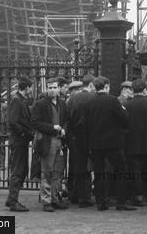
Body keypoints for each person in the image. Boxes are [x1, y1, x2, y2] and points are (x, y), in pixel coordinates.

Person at [85, 76, 136, 211]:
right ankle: (121, 202)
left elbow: (85, 123)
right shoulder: (113, 100)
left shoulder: (90, 102)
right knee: (121, 171)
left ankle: (101, 202)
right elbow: (124, 119)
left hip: (96, 143)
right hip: (113, 142)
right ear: (107, 86)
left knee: (99, 172)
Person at [31, 77, 69, 212]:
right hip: (47, 141)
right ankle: (46, 200)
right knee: (46, 171)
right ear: (46, 89)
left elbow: (66, 120)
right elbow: (35, 123)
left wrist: (64, 128)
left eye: (54, 87)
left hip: (60, 141)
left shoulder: (63, 103)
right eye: (50, 88)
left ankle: (55, 198)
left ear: (59, 88)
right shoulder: (40, 104)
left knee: (58, 172)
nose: (52, 90)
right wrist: (53, 127)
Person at [125, 79, 147, 206]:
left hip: (133, 143)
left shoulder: (128, 105)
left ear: (132, 90)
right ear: (144, 89)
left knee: (136, 170)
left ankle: (138, 196)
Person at [6, 77, 35, 212]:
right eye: (31, 87)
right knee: (18, 170)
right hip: (18, 140)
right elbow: (13, 121)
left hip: (20, 140)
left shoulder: (20, 100)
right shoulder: (17, 101)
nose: (32, 90)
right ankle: (13, 201)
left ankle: (12, 198)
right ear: (27, 87)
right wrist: (23, 133)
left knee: (22, 170)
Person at [66, 77, 95, 207]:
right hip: (89, 138)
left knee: (77, 167)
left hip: (74, 139)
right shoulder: (92, 98)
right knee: (88, 168)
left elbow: (67, 120)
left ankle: (75, 194)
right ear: (91, 85)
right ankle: (86, 197)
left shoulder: (72, 100)